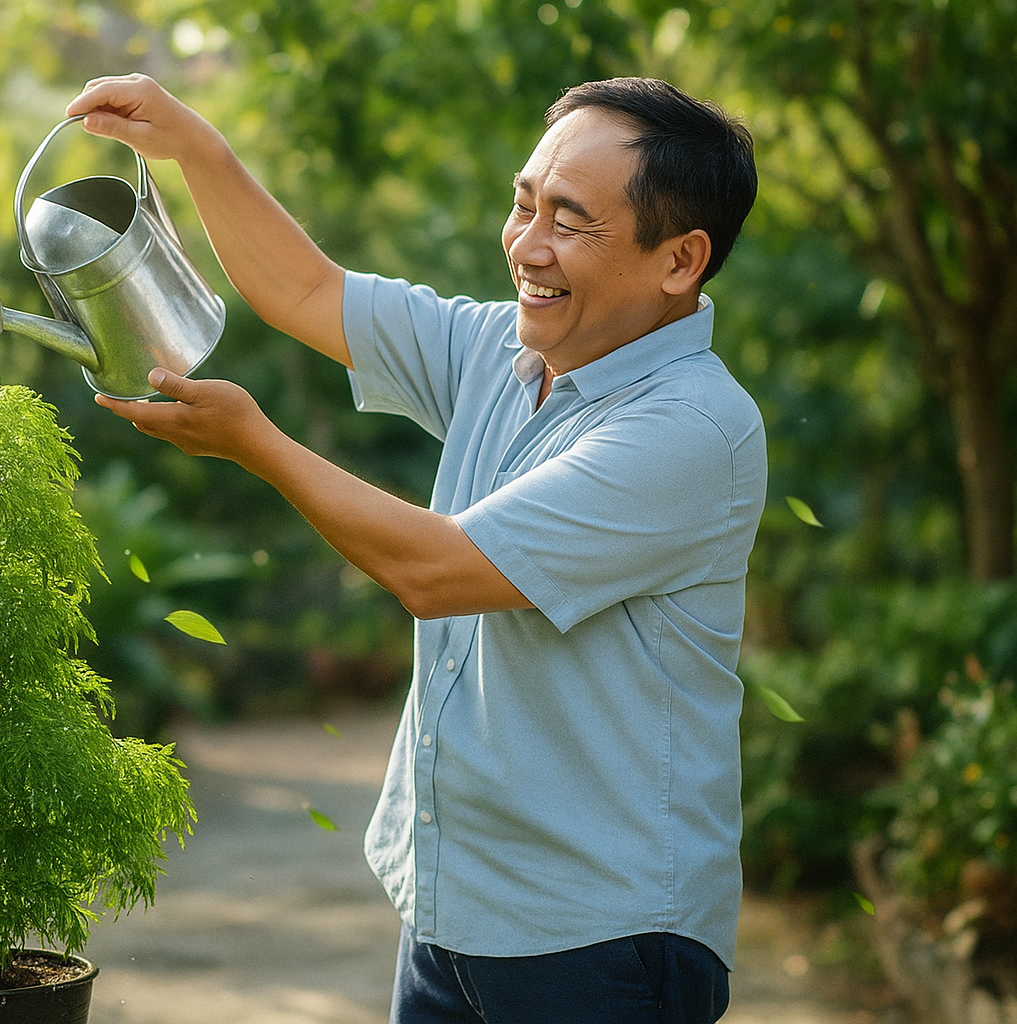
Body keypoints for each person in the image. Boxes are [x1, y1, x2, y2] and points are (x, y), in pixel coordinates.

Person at [66, 71, 765, 1024]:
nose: (527, 245)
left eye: (570, 221)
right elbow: (307, 290)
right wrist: (191, 145)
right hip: (454, 912)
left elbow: (439, 571)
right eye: (523, 206)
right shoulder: (504, 352)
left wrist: (258, 446)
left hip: (603, 940)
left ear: (679, 260)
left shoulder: (694, 428)